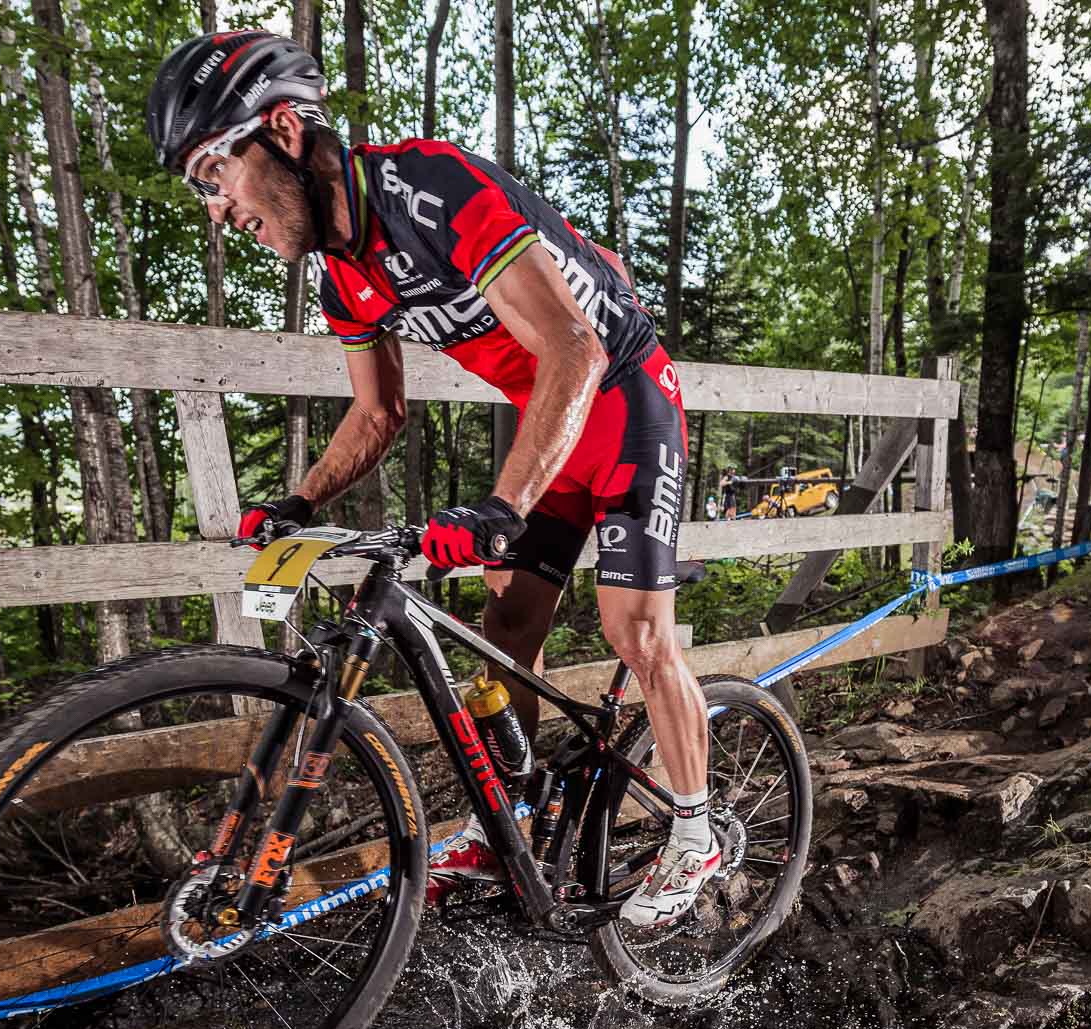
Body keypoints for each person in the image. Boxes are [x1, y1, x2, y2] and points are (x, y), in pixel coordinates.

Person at [147, 32, 716, 927]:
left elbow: (575, 346)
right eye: (199, 188)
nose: (215, 208)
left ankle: (697, 833)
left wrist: (501, 507)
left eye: (213, 173)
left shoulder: (433, 187)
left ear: (285, 131)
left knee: (634, 628)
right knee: (507, 623)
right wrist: (300, 501)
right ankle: (515, 823)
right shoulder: (345, 278)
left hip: (624, 399)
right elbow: (378, 416)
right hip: (552, 429)